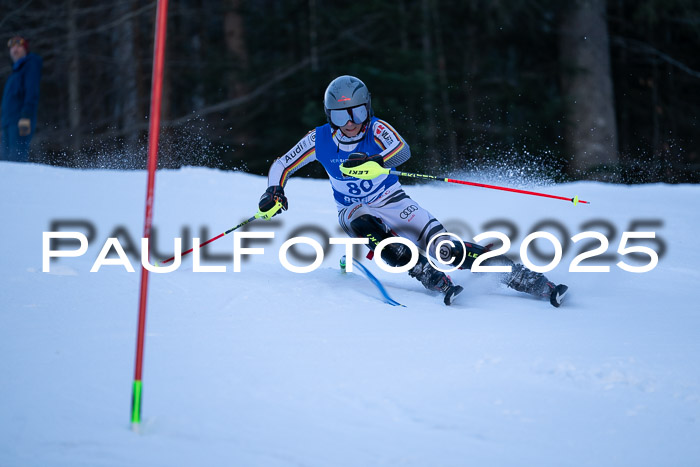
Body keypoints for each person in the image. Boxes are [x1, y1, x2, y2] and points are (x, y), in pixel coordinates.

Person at [258, 75, 567, 306]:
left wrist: (377, 160)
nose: (350, 124)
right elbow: (282, 163)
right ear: (330, 117)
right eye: (341, 116)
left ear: (368, 109)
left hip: (394, 202)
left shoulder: (378, 128)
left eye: (357, 114)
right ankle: (423, 272)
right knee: (367, 225)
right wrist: (274, 189)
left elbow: (401, 150)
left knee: (446, 249)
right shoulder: (320, 138)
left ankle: (521, 276)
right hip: (353, 208)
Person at [1, 36, 42, 162]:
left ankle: (23, 181)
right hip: (7, 123)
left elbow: (32, 91)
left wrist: (26, 116)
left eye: (18, 46)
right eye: (12, 47)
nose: (15, 49)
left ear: (25, 49)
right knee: (5, 161)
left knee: (17, 157)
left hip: (21, 120)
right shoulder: (15, 73)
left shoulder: (30, 65)